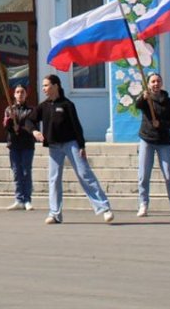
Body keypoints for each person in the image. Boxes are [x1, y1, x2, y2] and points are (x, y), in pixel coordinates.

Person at [33, 74, 113, 224]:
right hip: (54, 146)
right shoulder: (43, 106)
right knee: (54, 179)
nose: (43, 88)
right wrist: (34, 131)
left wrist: (82, 145)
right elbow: (30, 120)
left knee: (84, 174)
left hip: (71, 144)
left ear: (55, 86)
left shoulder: (67, 104)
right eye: (43, 86)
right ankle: (55, 214)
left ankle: (104, 208)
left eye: (46, 85)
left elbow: (77, 126)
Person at [135, 72, 170, 218]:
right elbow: (137, 105)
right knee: (143, 174)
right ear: (148, 84)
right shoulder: (145, 99)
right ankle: (143, 204)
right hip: (147, 139)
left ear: (161, 84)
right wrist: (143, 97)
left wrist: (160, 124)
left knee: (169, 174)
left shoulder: (169, 101)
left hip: (163, 141)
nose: (156, 84)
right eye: (153, 82)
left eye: (158, 81)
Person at [3, 84, 36, 210]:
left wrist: (20, 129)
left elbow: (32, 126)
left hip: (27, 144)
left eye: (22, 92)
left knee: (26, 171)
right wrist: (11, 123)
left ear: (26, 94)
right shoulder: (9, 109)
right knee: (17, 171)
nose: (20, 94)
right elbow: (5, 126)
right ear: (14, 94)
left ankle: (27, 199)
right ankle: (19, 199)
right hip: (14, 144)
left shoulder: (31, 110)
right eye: (17, 92)